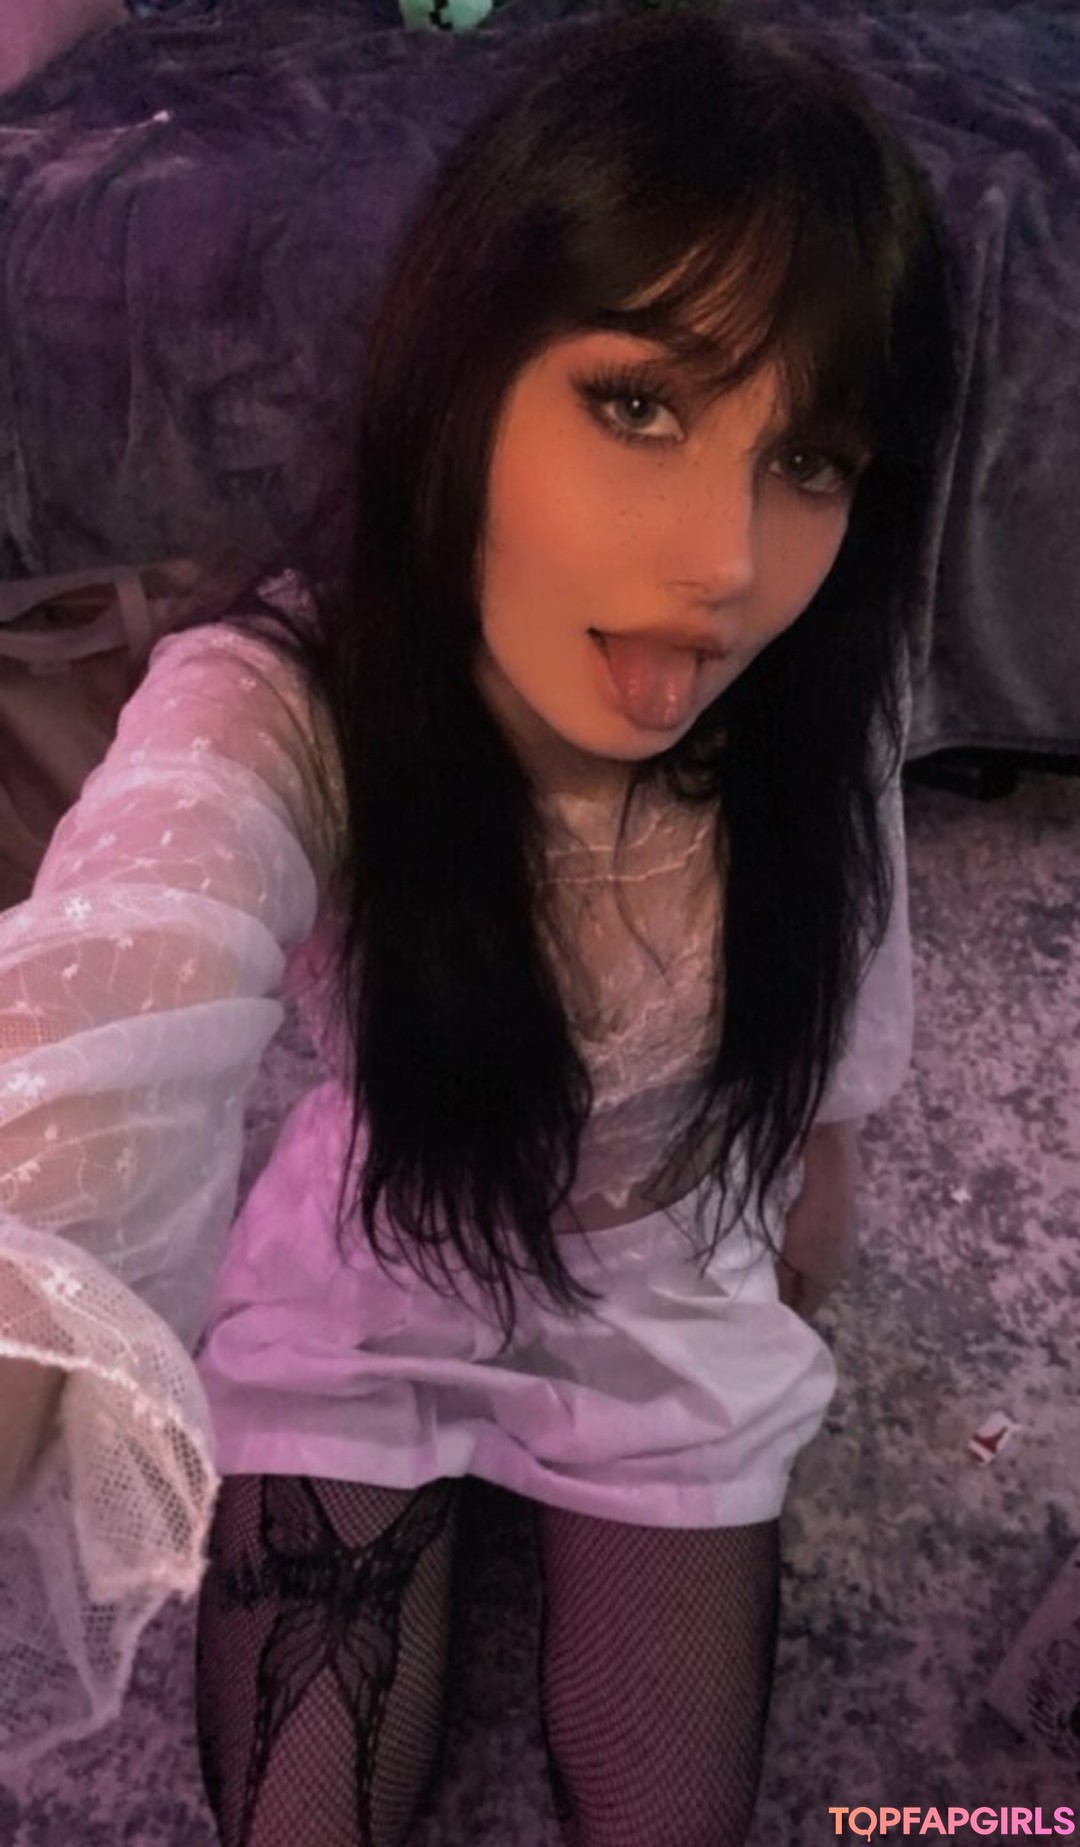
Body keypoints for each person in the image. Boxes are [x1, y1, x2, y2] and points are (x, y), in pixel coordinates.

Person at [0, 7, 954, 1843]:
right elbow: (117, 983)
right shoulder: (286, 703)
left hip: (670, 1288)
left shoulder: (815, 700)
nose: (727, 564)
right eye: (638, 403)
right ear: (466, 375)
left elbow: (855, 939)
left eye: (809, 460)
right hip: (383, 1259)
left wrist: (822, 1137)